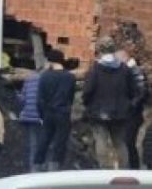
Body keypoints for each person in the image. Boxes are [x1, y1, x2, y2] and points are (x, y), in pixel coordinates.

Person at [84, 37, 136, 169]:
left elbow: (88, 90)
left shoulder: (95, 69)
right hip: (120, 112)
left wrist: (87, 103)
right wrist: (128, 104)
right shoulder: (124, 69)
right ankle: (123, 169)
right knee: (119, 142)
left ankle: (104, 169)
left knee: (101, 140)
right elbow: (133, 90)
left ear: (100, 50)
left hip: (99, 111)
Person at [35, 50, 76, 171]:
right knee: (60, 141)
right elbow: (70, 96)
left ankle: (38, 165)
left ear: (51, 61)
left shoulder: (44, 76)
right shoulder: (69, 77)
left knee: (44, 139)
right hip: (63, 112)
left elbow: (40, 99)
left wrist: (42, 114)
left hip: (48, 113)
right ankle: (55, 166)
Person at [117, 49, 147, 169]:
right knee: (128, 142)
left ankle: (133, 168)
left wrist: (129, 105)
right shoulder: (128, 70)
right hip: (130, 113)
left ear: (124, 58)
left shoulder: (134, 70)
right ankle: (132, 167)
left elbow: (141, 92)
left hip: (132, 114)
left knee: (128, 142)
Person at [17, 70, 43, 172]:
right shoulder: (44, 80)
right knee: (44, 144)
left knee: (33, 144)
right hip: (41, 117)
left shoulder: (28, 80)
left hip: (28, 117)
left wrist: (16, 94)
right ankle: (41, 168)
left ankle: (33, 170)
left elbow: (22, 100)